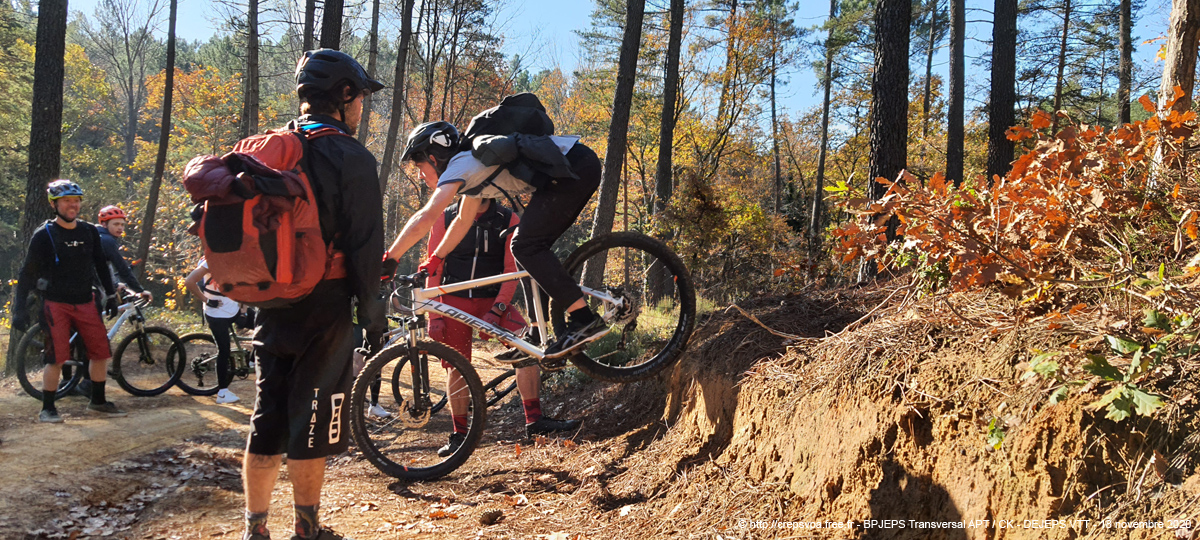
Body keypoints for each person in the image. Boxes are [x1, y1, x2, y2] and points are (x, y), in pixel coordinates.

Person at [237, 48, 385, 540]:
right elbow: (364, 247)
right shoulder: (351, 157)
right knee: (314, 418)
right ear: (343, 95)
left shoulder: (273, 148)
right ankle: (306, 529)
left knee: (267, 416)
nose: (361, 106)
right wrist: (373, 318)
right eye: (359, 97)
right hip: (326, 305)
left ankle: (255, 530)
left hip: (270, 302)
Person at [382, 119, 605, 361]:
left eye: (420, 165)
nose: (419, 175)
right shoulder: (470, 167)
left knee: (525, 246)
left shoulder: (461, 165)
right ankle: (536, 332)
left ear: (433, 158)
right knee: (523, 247)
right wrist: (436, 259)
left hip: (575, 168)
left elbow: (427, 216)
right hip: (570, 171)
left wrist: (390, 258)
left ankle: (584, 319)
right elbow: (462, 221)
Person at [424, 197, 581, 454]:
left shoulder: (508, 219)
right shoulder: (446, 217)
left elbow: (511, 270)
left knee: (528, 347)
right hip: (453, 300)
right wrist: (434, 315)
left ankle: (535, 422)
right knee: (457, 366)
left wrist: (497, 309)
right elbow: (434, 266)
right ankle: (459, 435)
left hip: (493, 299)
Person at [11, 180, 126, 423]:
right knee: (57, 357)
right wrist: (18, 309)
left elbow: (100, 265)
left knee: (100, 352)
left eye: (76, 201)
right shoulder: (45, 234)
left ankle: (97, 401)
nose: (72, 205)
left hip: (86, 301)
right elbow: (27, 273)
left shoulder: (88, 231)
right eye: (66, 201)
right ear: (54, 204)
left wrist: (110, 295)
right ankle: (48, 409)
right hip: (56, 304)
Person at [184, 258, 242, 404]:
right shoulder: (211, 260)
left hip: (234, 308)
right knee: (224, 350)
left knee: (262, 327)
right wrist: (206, 300)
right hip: (216, 313)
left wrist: (244, 306)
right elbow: (189, 281)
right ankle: (222, 393)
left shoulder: (238, 256)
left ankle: (253, 361)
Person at [96, 205, 152, 303]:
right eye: (116, 224)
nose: (120, 228)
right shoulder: (107, 241)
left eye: (122, 225)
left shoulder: (97, 236)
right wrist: (140, 290)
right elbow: (122, 269)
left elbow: (102, 267)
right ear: (104, 224)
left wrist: (115, 284)